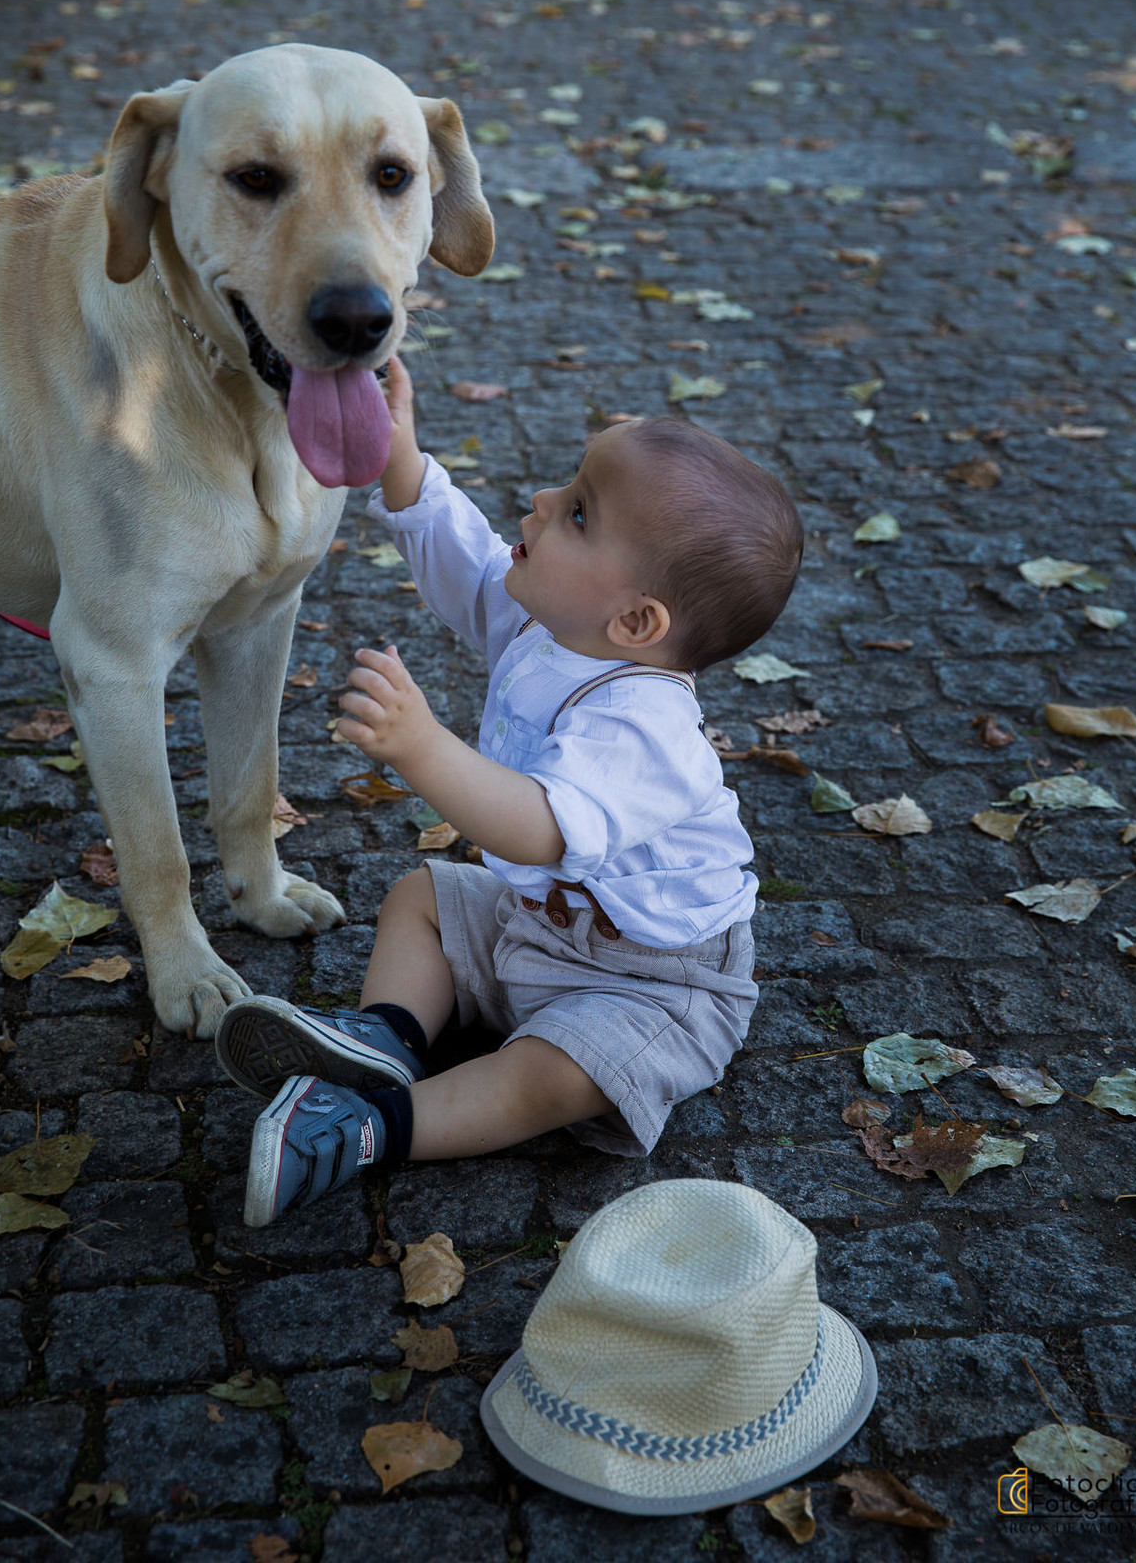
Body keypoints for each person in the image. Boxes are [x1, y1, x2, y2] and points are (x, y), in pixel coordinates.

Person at [215, 356, 804, 1227]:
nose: (541, 499)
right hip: (540, 925)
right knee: (420, 899)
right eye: (568, 486)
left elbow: (538, 830)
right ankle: (386, 1039)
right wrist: (400, 454)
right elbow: (465, 565)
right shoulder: (554, 624)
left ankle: (375, 1128)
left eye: (578, 513)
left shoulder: (646, 727)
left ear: (636, 621)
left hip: (650, 982)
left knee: (556, 1075)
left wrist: (423, 747)